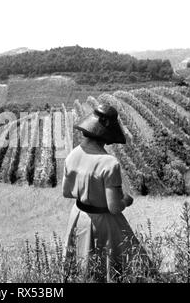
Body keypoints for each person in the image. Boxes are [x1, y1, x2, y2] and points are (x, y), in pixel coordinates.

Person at [62, 104, 150, 282]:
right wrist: (126, 200)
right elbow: (114, 207)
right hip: (103, 224)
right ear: (108, 136)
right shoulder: (109, 163)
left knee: (80, 267)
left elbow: (67, 192)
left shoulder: (72, 155)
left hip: (79, 217)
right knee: (125, 266)